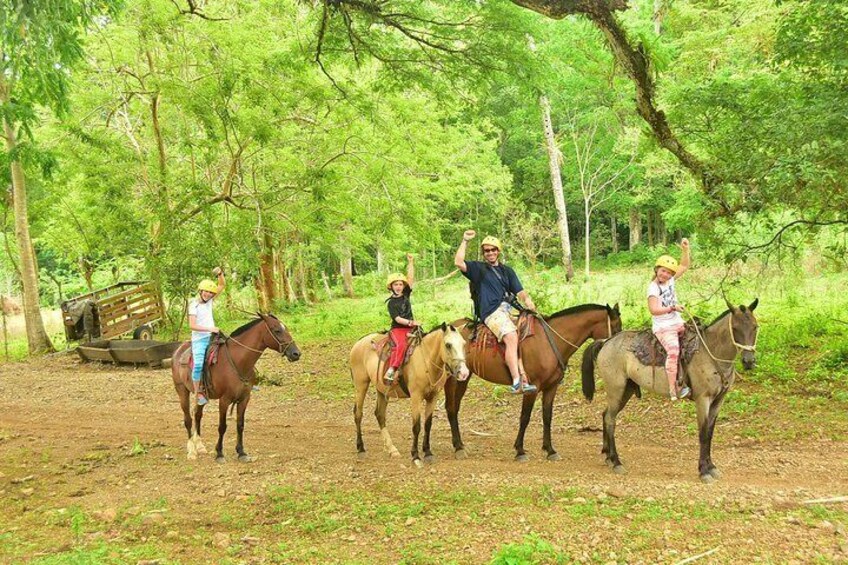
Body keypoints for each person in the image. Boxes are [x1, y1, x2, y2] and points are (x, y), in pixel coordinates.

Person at [454, 230, 537, 394]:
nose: (490, 253)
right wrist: (465, 241)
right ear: (484, 253)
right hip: (491, 312)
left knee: (531, 330)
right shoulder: (478, 269)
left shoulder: (508, 271)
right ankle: (516, 381)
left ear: (498, 251)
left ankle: (528, 375)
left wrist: (528, 302)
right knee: (511, 336)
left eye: (493, 250)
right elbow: (458, 262)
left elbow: (520, 291)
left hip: (507, 311)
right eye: (487, 251)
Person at [647, 239, 692, 401]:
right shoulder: (653, 288)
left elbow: (684, 266)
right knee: (673, 352)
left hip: (677, 321)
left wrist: (685, 250)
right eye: (662, 271)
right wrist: (672, 308)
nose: (664, 274)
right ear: (657, 269)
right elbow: (654, 310)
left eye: (668, 272)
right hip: (663, 326)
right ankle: (674, 390)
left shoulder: (670, 280)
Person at [189, 267, 225, 405]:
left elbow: (221, 285)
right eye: (206, 292)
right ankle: (197, 393)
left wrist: (220, 274)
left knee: (233, 350)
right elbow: (192, 326)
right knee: (198, 364)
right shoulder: (193, 305)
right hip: (200, 339)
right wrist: (209, 328)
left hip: (213, 335)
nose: (209, 294)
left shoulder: (209, 301)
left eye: (211, 293)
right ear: (200, 291)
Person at [384, 254, 421, 384]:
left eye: (400, 284)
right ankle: (392, 369)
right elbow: (398, 319)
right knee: (401, 345)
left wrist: (411, 263)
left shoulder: (405, 294)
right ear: (391, 286)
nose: (399, 286)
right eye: (396, 284)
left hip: (411, 327)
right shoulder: (391, 303)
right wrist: (411, 322)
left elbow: (410, 278)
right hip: (399, 329)